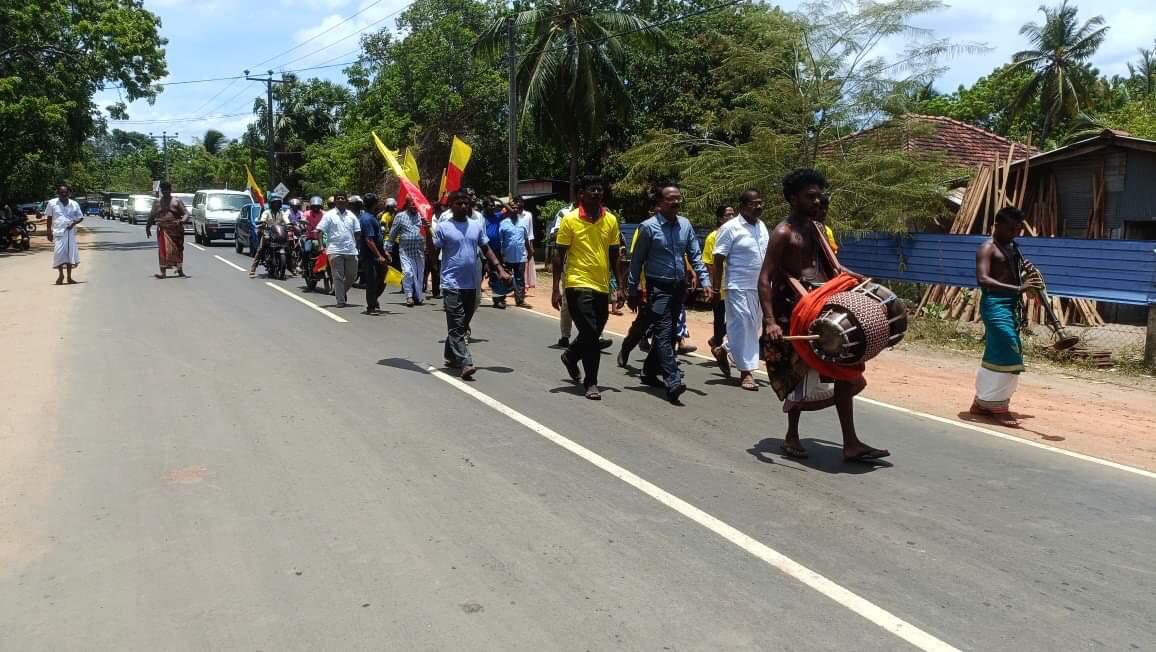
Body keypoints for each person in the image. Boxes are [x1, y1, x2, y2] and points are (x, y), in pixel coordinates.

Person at [758, 168, 888, 462]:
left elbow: (830, 267)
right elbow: (764, 277)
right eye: (810, 197)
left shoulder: (815, 228)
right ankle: (792, 434)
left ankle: (851, 443)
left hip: (823, 303)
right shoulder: (783, 232)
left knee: (844, 365)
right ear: (793, 199)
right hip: (793, 307)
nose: (818, 202)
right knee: (797, 372)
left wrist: (852, 279)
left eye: (819, 196)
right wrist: (768, 321)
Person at [626, 182, 712, 403]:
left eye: (678, 198)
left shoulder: (685, 225)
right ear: (659, 203)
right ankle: (673, 381)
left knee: (673, 334)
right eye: (670, 199)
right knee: (663, 333)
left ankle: (648, 371)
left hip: (678, 288)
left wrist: (705, 280)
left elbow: (695, 255)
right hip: (658, 288)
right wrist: (633, 287)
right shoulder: (648, 227)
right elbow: (637, 261)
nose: (675, 202)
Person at [553, 176, 626, 400]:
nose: (597, 193)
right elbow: (559, 255)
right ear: (581, 194)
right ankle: (591, 382)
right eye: (592, 190)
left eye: (600, 190)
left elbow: (615, 254)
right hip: (577, 282)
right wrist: (556, 288)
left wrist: (620, 286)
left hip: (601, 285)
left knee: (593, 329)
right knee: (592, 335)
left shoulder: (611, 220)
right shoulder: (570, 220)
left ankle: (571, 355)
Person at [971, 207, 1043, 425]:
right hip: (994, 305)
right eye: (1011, 228)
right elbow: (983, 280)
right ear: (997, 225)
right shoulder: (987, 248)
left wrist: (1027, 275)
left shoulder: (1013, 248)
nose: (1015, 232)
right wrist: (1019, 289)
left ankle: (982, 403)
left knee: (997, 351)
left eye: (1018, 229)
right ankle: (998, 406)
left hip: (1011, 306)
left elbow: (1015, 276)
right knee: (1010, 349)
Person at [431, 190, 509, 380]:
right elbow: (434, 251)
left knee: (462, 322)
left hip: (471, 283)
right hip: (451, 283)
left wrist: (499, 269)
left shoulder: (475, 226)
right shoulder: (443, 227)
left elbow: (486, 248)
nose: (463, 206)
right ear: (451, 206)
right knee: (457, 324)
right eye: (459, 203)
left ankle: (450, 353)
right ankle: (466, 362)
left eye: (466, 203)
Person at [713, 191, 769, 390]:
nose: (759, 207)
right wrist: (715, 288)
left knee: (753, 329)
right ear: (744, 206)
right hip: (736, 285)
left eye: (761, 203)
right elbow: (718, 259)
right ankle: (746, 372)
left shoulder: (762, 226)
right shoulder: (730, 228)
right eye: (755, 203)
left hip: (760, 287)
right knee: (743, 324)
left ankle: (724, 349)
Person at [703, 204, 737, 374]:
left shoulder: (737, 234)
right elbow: (710, 264)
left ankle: (716, 340)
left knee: (736, 318)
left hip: (735, 284)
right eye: (727, 215)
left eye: (733, 214)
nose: (732, 218)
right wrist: (712, 286)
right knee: (718, 318)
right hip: (719, 285)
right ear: (720, 218)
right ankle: (718, 346)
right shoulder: (712, 237)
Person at [315, 192, 361, 308]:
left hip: (351, 250)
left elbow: (358, 232)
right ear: (335, 201)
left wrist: (357, 245)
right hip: (335, 250)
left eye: (343, 198)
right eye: (338, 198)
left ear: (346, 201)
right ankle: (341, 300)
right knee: (338, 276)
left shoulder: (351, 215)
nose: (340, 200)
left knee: (352, 276)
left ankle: (340, 291)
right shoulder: (329, 215)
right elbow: (319, 231)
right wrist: (321, 246)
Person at [390, 198, 427, 307]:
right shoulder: (400, 216)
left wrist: (426, 225)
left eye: (416, 205)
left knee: (419, 275)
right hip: (405, 251)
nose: (414, 207)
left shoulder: (422, 216)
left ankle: (418, 296)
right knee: (408, 272)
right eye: (412, 204)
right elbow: (393, 233)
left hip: (419, 251)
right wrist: (387, 249)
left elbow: (430, 232)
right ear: (407, 204)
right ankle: (409, 296)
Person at [357, 194, 389, 315]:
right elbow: (369, 240)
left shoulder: (373, 217)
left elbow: (378, 238)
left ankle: (374, 300)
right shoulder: (366, 219)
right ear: (374, 204)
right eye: (378, 203)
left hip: (378, 253)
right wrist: (378, 256)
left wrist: (384, 253)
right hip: (370, 256)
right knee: (373, 280)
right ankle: (371, 306)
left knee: (383, 278)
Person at [45, 184, 83, 284]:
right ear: (57, 193)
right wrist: (48, 231)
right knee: (59, 253)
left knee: (70, 255)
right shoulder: (52, 203)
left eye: (66, 192)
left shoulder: (74, 204)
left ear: (69, 193)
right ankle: (61, 274)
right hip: (58, 232)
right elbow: (49, 217)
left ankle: (69, 277)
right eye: (61, 192)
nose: (64, 194)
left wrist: (73, 223)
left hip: (70, 233)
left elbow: (80, 217)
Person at [498, 201, 533, 307]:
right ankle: (501, 299)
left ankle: (520, 300)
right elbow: (500, 241)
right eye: (512, 207)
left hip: (520, 256)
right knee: (505, 278)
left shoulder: (523, 223)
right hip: (507, 257)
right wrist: (501, 256)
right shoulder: (503, 223)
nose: (515, 209)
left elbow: (526, 239)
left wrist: (530, 250)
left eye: (517, 208)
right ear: (508, 209)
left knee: (520, 279)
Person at [248, 193, 288, 277]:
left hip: (279, 233)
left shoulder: (281, 212)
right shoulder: (267, 212)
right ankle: (253, 269)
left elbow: (286, 219)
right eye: (274, 203)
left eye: (278, 203)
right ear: (271, 204)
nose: (276, 205)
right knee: (261, 248)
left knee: (288, 246)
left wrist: (289, 224)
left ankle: (293, 267)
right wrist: (262, 222)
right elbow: (263, 219)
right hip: (268, 232)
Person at [483, 198, 510, 308]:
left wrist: (499, 200)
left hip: (496, 251)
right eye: (490, 205)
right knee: (479, 274)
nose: (492, 207)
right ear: (485, 207)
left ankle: (499, 299)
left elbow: (510, 211)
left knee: (498, 275)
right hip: (483, 249)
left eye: (493, 205)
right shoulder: (481, 218)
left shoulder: (497, 216)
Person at [510, 196, 537, 296]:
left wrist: (531, 247)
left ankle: (523, 287)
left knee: (525, 266)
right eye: (516, 203)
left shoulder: (528, 215)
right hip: (515, 244)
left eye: (520, 202)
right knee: (516, 265)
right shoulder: (512, 215)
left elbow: (530, 232)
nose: (518, 204)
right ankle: (516, 287)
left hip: (526, 244)